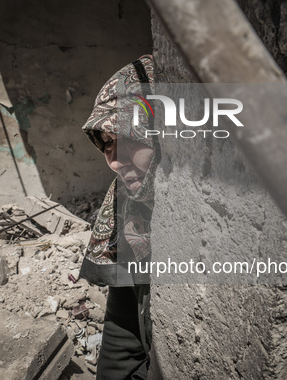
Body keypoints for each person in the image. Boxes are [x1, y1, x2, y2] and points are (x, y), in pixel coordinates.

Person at [79, 55, 158, 380]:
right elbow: (120, 344)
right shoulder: (127, 207)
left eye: (126, 137)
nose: (113, 162)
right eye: (108, 144)